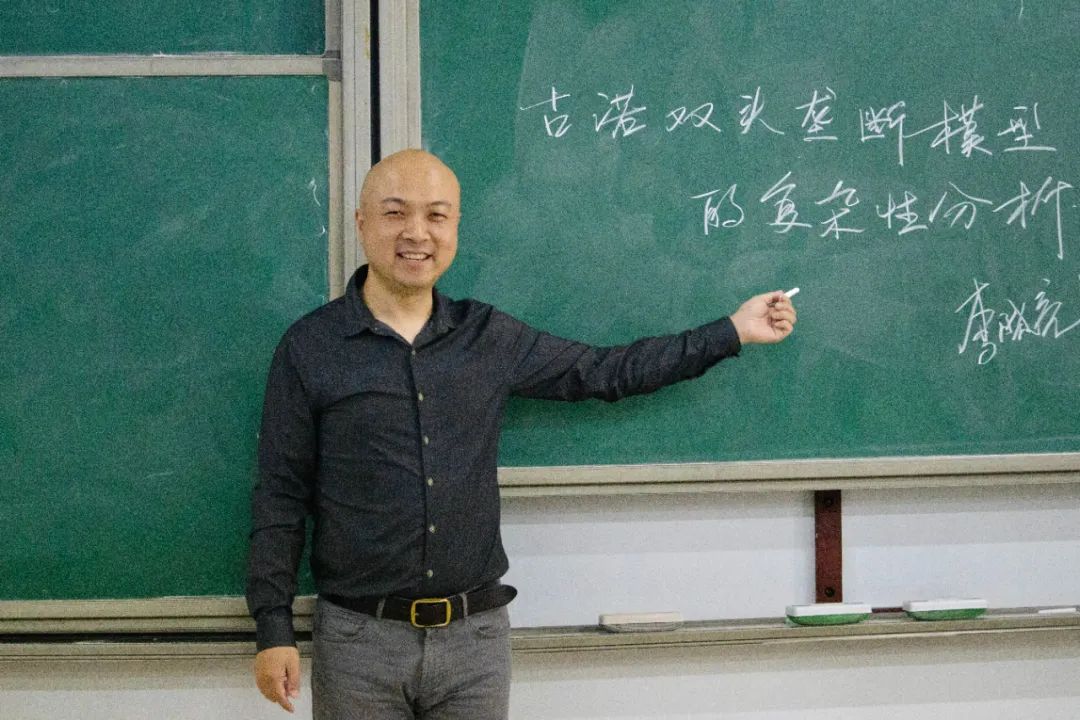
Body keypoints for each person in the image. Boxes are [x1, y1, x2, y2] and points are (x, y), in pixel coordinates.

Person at [247, 149, 797, 718]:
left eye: (436, 215)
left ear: (456, 227)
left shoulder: (487, 337)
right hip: (359, 641)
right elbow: (281, 495)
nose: (417, 233)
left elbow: (605, 371)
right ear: (362, 223)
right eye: (395, 213)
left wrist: (732, 331)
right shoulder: (311, 347)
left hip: (474, 642)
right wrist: (273, 627)